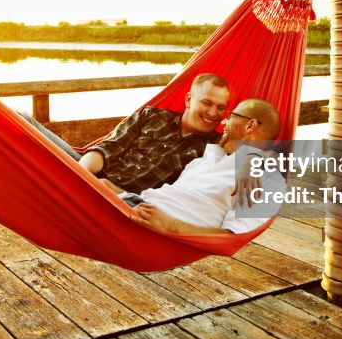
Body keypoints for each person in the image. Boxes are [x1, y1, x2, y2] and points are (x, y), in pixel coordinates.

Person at [18, 73, 231, 193]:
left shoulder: (214, 148)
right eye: (206, 103)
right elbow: (108, 148)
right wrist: (81, 178)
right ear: (188, 100)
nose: (213, 113)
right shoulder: (152, 115)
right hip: (85, 171)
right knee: (21, 119)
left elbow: (258, 166)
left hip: (122, 202)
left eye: (221, 107)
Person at [120, 98, 285, 235]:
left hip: (153, 228)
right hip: (138, 204)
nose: (223, 121)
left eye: (230, 115)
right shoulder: (208, 157)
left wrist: (172, 226)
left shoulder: (268, 178)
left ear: (250, 125)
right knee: (100, 185)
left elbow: (232, 237)